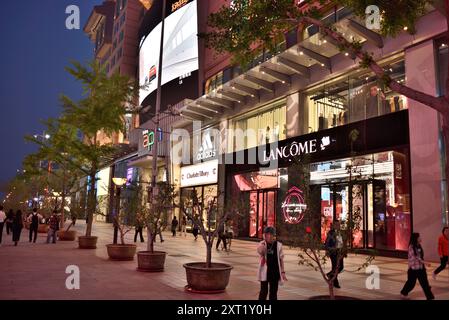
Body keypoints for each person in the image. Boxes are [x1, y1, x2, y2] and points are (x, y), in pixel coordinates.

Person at [400, 233, 435, 300]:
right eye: (419, 237)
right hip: (413, 269)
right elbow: (415, 258)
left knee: (425, 284)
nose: (420, 238)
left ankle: (430, 297)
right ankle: (404, 292)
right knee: (411, 283)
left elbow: (420, 256)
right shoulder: (411, 247)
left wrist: (423, 264)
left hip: (421, 268)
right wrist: (425, 262)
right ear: (416, 238)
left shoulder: (419, 246)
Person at [257, 226, 286, 300]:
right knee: (263, 292)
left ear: (274, 235)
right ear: (265, 235)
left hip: (275, 272)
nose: (269, 236)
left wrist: (282, 272)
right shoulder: (262, 244)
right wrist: (262, 245)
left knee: (273, 293)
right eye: (267, 234)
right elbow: (260, 252)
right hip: (265, 272)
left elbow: (281, 259)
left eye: (271, 234)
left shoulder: (279, 245)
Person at [325, 221, 344, 289]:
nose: (338, 226)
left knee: (341, 267)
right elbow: (327, 243)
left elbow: (342, 242)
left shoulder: (341, 232)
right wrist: (328, 251)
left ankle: (330, 275)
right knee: (335, 267)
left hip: (340, 251)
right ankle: (335, 282)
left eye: (339, 224)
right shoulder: (331, 233)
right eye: (336, 224)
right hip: (333, 252)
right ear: (333, 225)